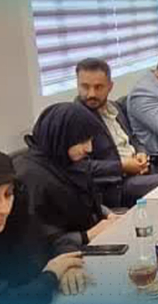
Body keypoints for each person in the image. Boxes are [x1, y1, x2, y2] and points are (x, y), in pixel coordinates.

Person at [0, 153, 90, 304]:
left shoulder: (17, 213)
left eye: (8, 194)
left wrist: (67, 264)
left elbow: (53, 239)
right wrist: (52, 275)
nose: (3, 209)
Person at [13, 103, 119, 253]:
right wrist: (88, 235)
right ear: (61, 137)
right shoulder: (30, 177)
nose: (89, 148)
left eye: (90, 140)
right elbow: (37, 243)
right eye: (82, 141)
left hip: (90, 241)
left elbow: (86, 201)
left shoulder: (68, 162)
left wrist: (109, 215)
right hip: (63, 256)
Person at [75, 58, 158, 207]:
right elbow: (80, 167)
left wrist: (141, 152)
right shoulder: (75, 118)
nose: (91, 94)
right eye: (85, 87)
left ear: (110, 86)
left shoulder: (115, 107)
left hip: (141, 172)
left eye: (98, 87)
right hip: (116, 185)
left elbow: (133, 137)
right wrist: (122, 166)